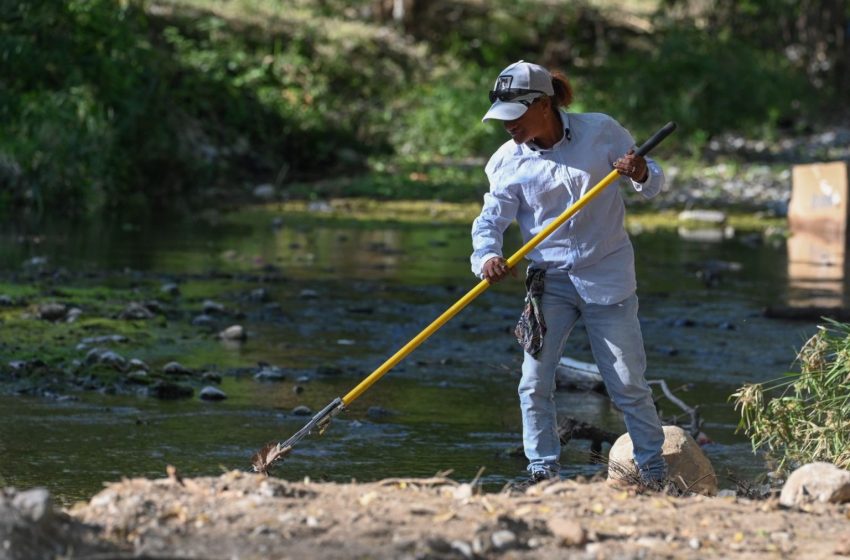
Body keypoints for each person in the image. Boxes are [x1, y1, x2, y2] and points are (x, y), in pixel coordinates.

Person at [470, 60, 668, 487]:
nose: (508, 127)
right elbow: (489, 222)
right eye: (502, 119)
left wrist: (641, 171)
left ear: (542, 104)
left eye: (514, 116)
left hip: (607, 277)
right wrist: (487, 256)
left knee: (628, 383)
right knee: (533, 382)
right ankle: (542, 470)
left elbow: (652, 184)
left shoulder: (601, 132)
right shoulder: (508, 161)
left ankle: (654, 472)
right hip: (550, 282)